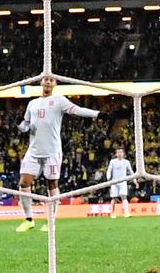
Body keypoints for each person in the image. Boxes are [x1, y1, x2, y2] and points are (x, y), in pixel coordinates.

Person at [14, 77, 101, 233]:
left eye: (51, 80)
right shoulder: (32, 103)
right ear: (41, 82)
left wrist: (98, 114)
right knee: (24, 183)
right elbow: (26, 127)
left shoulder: (59, 101)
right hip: (33, 151)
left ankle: (50, 221)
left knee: (52, 184)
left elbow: (77, 110)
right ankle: (28, 219)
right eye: (46, 79)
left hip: (52, 151)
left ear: (55, 84)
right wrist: (20, 124)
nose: (48, 82)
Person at [105, 148, 131, 218]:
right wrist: (108, 177)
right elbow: (109, 170)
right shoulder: (112, 161)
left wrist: (135, 181)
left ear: (123, 153)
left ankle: (126, 213)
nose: (120, 154)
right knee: (114, 198)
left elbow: (130, 171)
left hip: (123, 181)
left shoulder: (126, 162)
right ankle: (112, 213)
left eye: (121, 152)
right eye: (118, 152)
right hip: (114, 182)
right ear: (116, 154)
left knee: (124, 197)